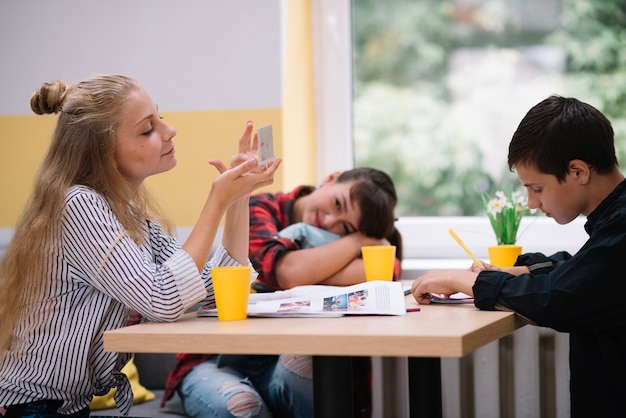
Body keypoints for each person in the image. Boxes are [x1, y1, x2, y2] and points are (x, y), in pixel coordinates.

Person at [0, 74, 281, 418]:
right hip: (29, 408)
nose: (169, 131)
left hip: (66, 406)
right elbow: (162, 298)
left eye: (160, 118)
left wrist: (238, 197)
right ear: (103, 152)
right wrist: (215, 202)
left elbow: (216, 289)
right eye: (148, 129)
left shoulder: (129, 218)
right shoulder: (78, 206)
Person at [410, 95, 626, 418]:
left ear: (578, 171)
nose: (531, 204)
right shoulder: (611, 224)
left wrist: (470, 281)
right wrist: (518, 272)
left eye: (537, 189)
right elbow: (582, 272)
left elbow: (560, 298)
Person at [163, 167, 402, 418]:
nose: (331, 222)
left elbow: (386, 269)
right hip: (216, 360)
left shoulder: (333, 236)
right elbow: (286, 272)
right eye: (338, 204)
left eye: (346, 228)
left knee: (305, 363)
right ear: (331, 178)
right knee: (242, 406)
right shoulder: (260, 207)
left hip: (291, 364)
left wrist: (307, 268)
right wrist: (355, 241)